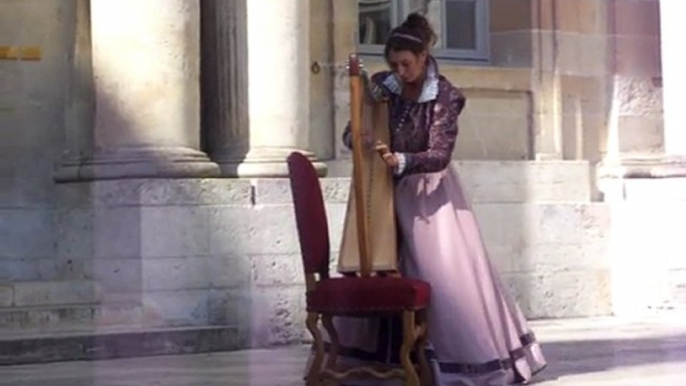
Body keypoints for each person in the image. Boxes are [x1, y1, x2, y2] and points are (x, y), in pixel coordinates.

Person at [331, 13, 547, 386]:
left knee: (446, 279)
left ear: (424, 55)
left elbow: (439, 154)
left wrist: (401, 160)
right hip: (385, 193)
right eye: (394, 64)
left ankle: (451, 363)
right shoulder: (384, 85)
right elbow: (351, 132)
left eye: (407, 64)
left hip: (431, 195)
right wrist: (362, 138)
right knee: (383, 266)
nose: (401, 71)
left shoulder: (445, 95)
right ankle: (391, 362)